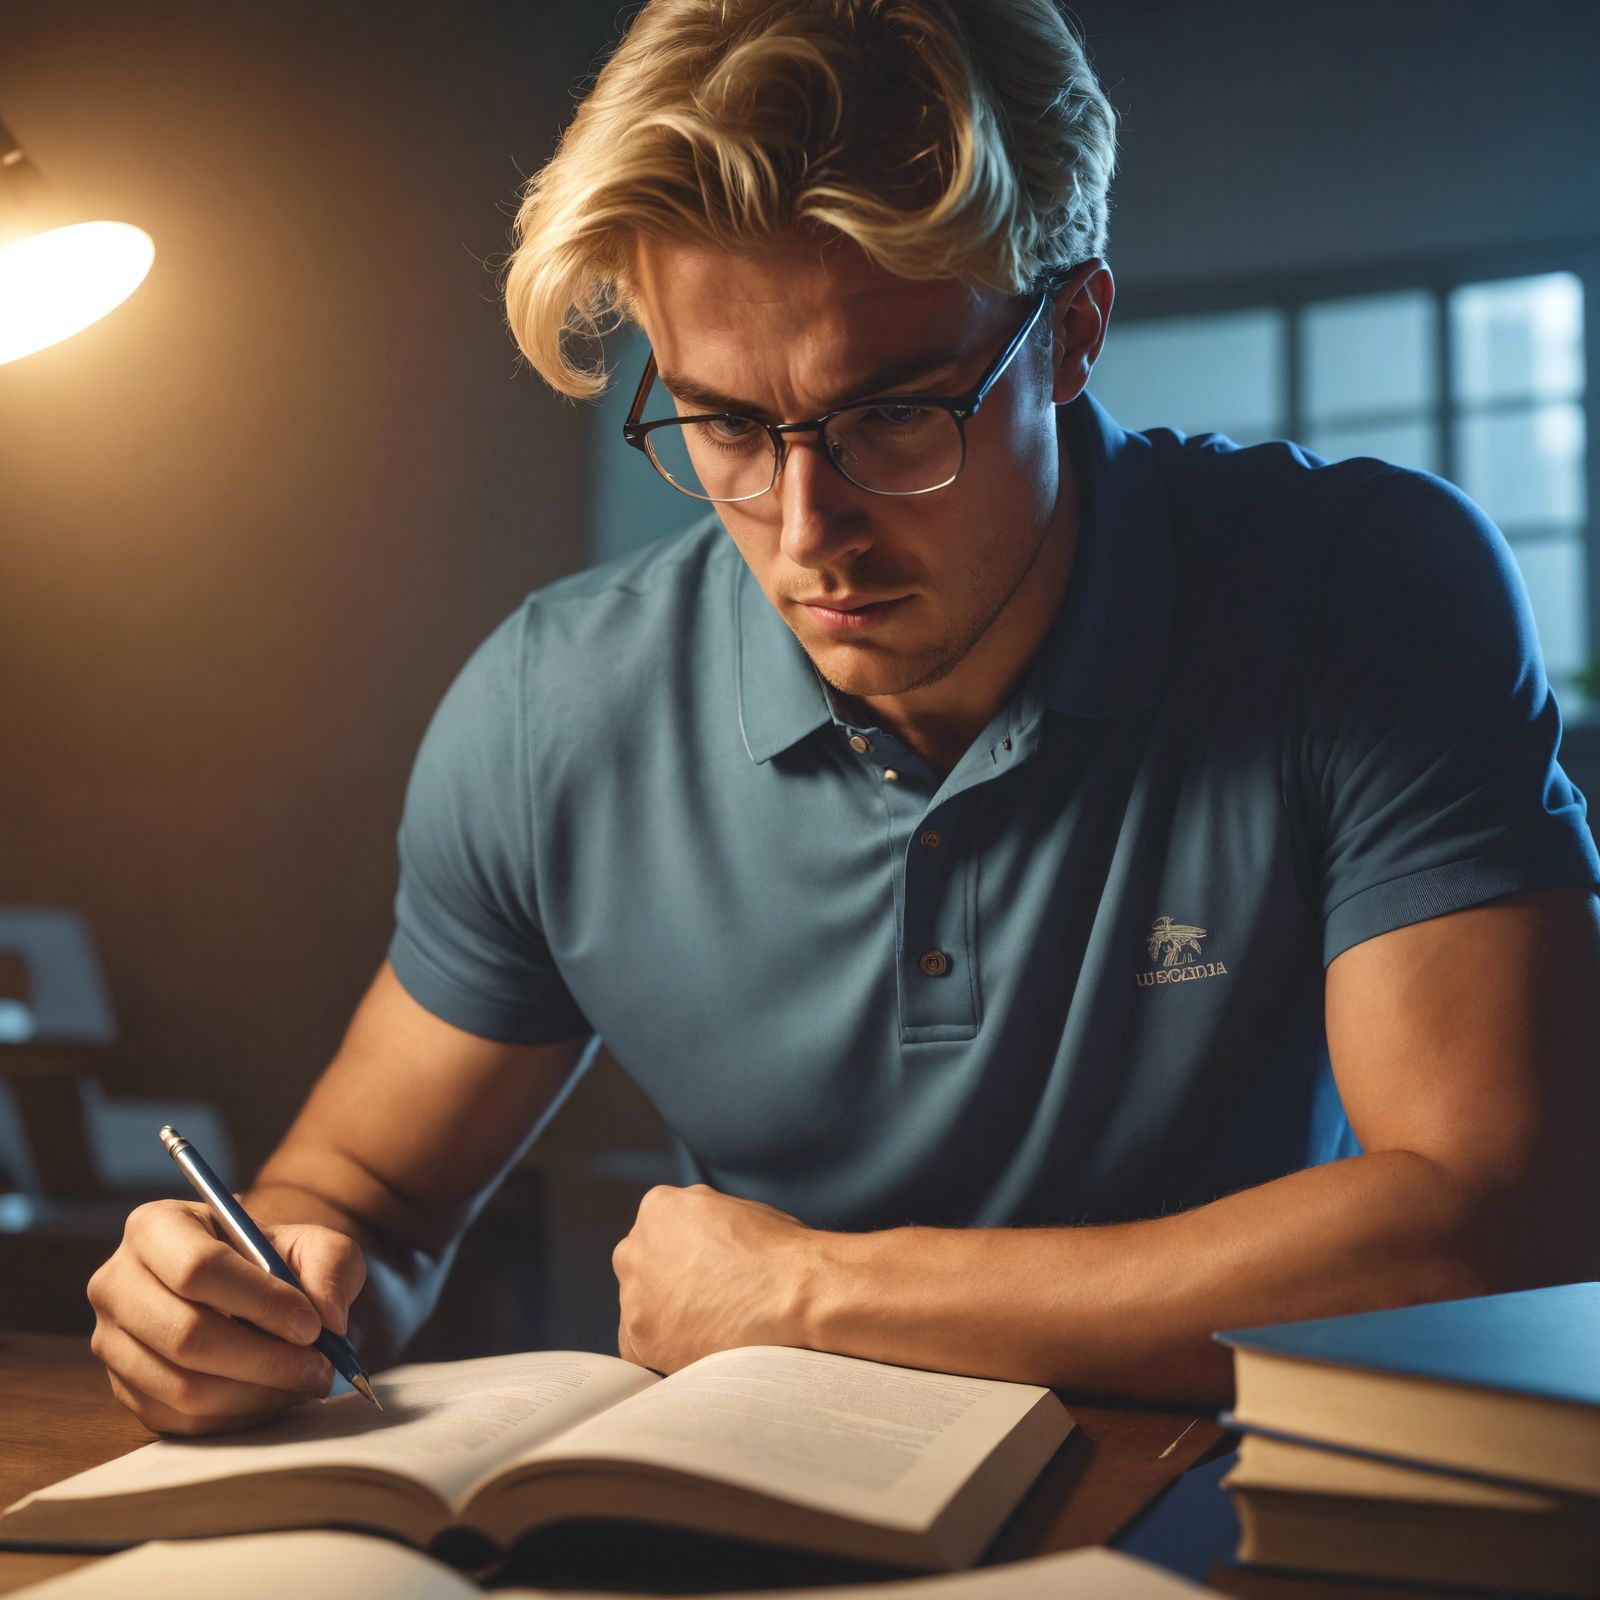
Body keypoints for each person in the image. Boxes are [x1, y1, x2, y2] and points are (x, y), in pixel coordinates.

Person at [88, 0, 1600, 1437]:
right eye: (727, 424)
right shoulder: (555, 705)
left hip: (1255, 1515)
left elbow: (1499, 1219)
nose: (808, 530)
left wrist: (815, 1292)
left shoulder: (1365, 591)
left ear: (1072, 336)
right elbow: (364, 1199)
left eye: (894, 415)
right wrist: (241, 1300)